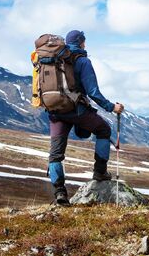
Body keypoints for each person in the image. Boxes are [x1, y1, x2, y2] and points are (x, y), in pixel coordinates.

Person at [47, 30, 124, 205]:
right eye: (84, 41)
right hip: (77, 111)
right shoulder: (83, 61)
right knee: (103, 130)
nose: (85, 44)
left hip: (55, 112)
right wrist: (112, 107)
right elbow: (93, 92)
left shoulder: (53, 60)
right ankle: (100, 172)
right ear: (81, 42)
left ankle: (60, 193)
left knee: (56, 154)